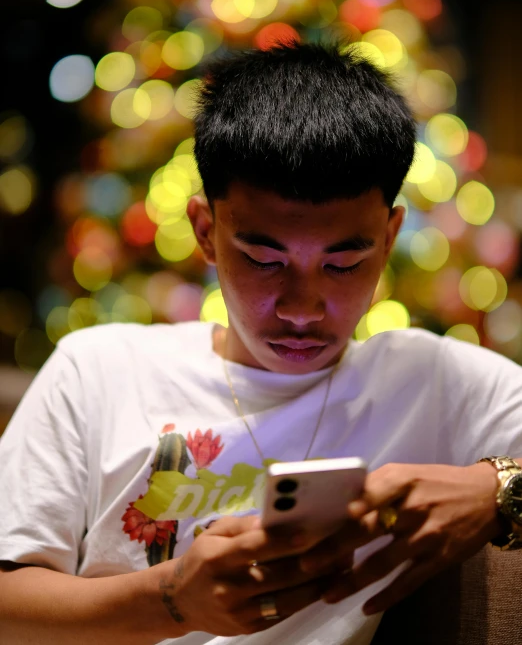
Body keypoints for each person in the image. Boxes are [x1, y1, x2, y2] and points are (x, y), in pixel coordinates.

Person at [0, 38, 521, 645]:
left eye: (344, 264)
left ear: (389, 235)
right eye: (263, 259)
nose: (302, 309)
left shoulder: (436, 382)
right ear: (204, 231)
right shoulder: (100, 368)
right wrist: (174, 600)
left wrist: (498, 489)